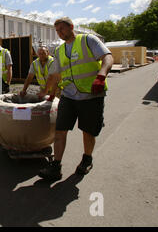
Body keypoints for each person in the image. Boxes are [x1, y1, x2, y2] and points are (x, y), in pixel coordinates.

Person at [38, 17, 114, 181]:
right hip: (69, 96)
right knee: (60, 131)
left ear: (71, 27)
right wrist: (48, 91)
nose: (59, 33)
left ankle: (87, 159)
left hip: (91, 95)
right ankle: (56, 167)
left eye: (62, 29)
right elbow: (56, 75)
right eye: (57, 30)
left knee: (88, 132)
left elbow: (108, 57)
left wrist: (101, 75)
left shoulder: (88, 40)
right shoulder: (59, 51)